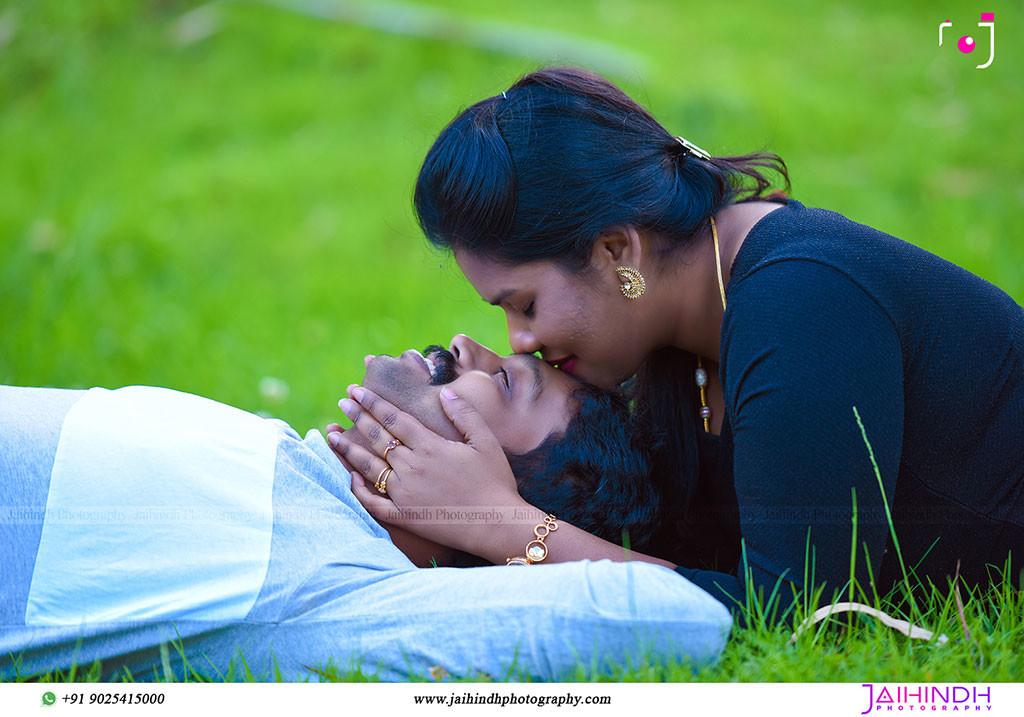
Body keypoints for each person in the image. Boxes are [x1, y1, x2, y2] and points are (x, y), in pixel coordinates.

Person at [334, 67, 1024, 615]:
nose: (521, 341)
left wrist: (501, 524)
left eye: (526, 304)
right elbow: (707, 570)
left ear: (614, 250)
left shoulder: (802, 299)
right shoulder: (670, 339)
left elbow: (803, 618)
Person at [0, 337, 731, 682]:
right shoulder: (292, 462)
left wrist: (497, 522)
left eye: (506, 383)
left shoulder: (337, 587)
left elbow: (671, 614)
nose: (468, 343)